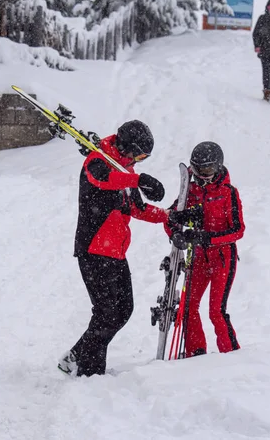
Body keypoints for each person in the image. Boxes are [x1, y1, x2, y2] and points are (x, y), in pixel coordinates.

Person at [59, 120, 169, 377]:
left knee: (123, 310)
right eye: (138, 154)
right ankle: (90, 371)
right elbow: (104, 179)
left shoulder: (125, 169)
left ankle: (76, 356)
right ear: (128, 146)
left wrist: (169, 215)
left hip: (115, 252)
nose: (139, 161)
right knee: (107, 312)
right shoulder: (97, 161)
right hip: (94, 249)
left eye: (143, 158)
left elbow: (136, 209)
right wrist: (137, 179)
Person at [166, 142, 245, 358]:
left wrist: (207, 238)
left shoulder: (228, 193)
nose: (203, 175)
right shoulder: (190, 191)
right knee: (188, 307)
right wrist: (176, 234)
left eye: (208, 170)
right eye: (199, 170)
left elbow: (238, 230)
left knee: (216, 312)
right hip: (199, 257)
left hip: (222, 258)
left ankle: (231, 355)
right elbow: (170, 216)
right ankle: (196, 354)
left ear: (218, 167)